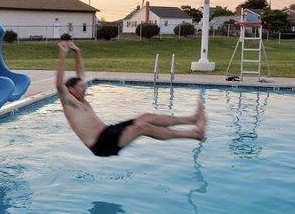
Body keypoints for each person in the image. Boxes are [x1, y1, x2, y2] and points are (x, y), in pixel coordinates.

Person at [56, 41, 206, 157]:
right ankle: (194, 134)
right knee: (142, 128)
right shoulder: (69, 103)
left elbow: (80, 74)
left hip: (108, 131)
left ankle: (192, 119)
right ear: (71, 90)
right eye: (82, 87)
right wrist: (63, 54)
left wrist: (77, 52)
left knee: (146, 117)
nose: (85, 88)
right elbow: (58, 85)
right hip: (100, 144)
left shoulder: (82, 100)